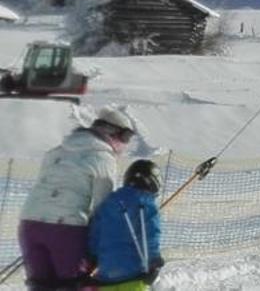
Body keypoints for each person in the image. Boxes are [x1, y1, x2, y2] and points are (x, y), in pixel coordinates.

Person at [18, 106, 136, 290]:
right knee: (75, 285)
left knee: (40, 285)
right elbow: (102, 209)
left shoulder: (57, 150)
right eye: (126, 137)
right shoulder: (103, 158)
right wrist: (100, 250)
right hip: (66, 229)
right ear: (113, 133)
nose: (125, 145)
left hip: (29, 225)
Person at [86, 159, 164, 291]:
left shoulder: (109, 203)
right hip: (134, 275)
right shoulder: (146, 204)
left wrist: (93, 256)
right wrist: (154, 261)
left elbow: (95, 233)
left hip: (106, 276)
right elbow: (150, 235)